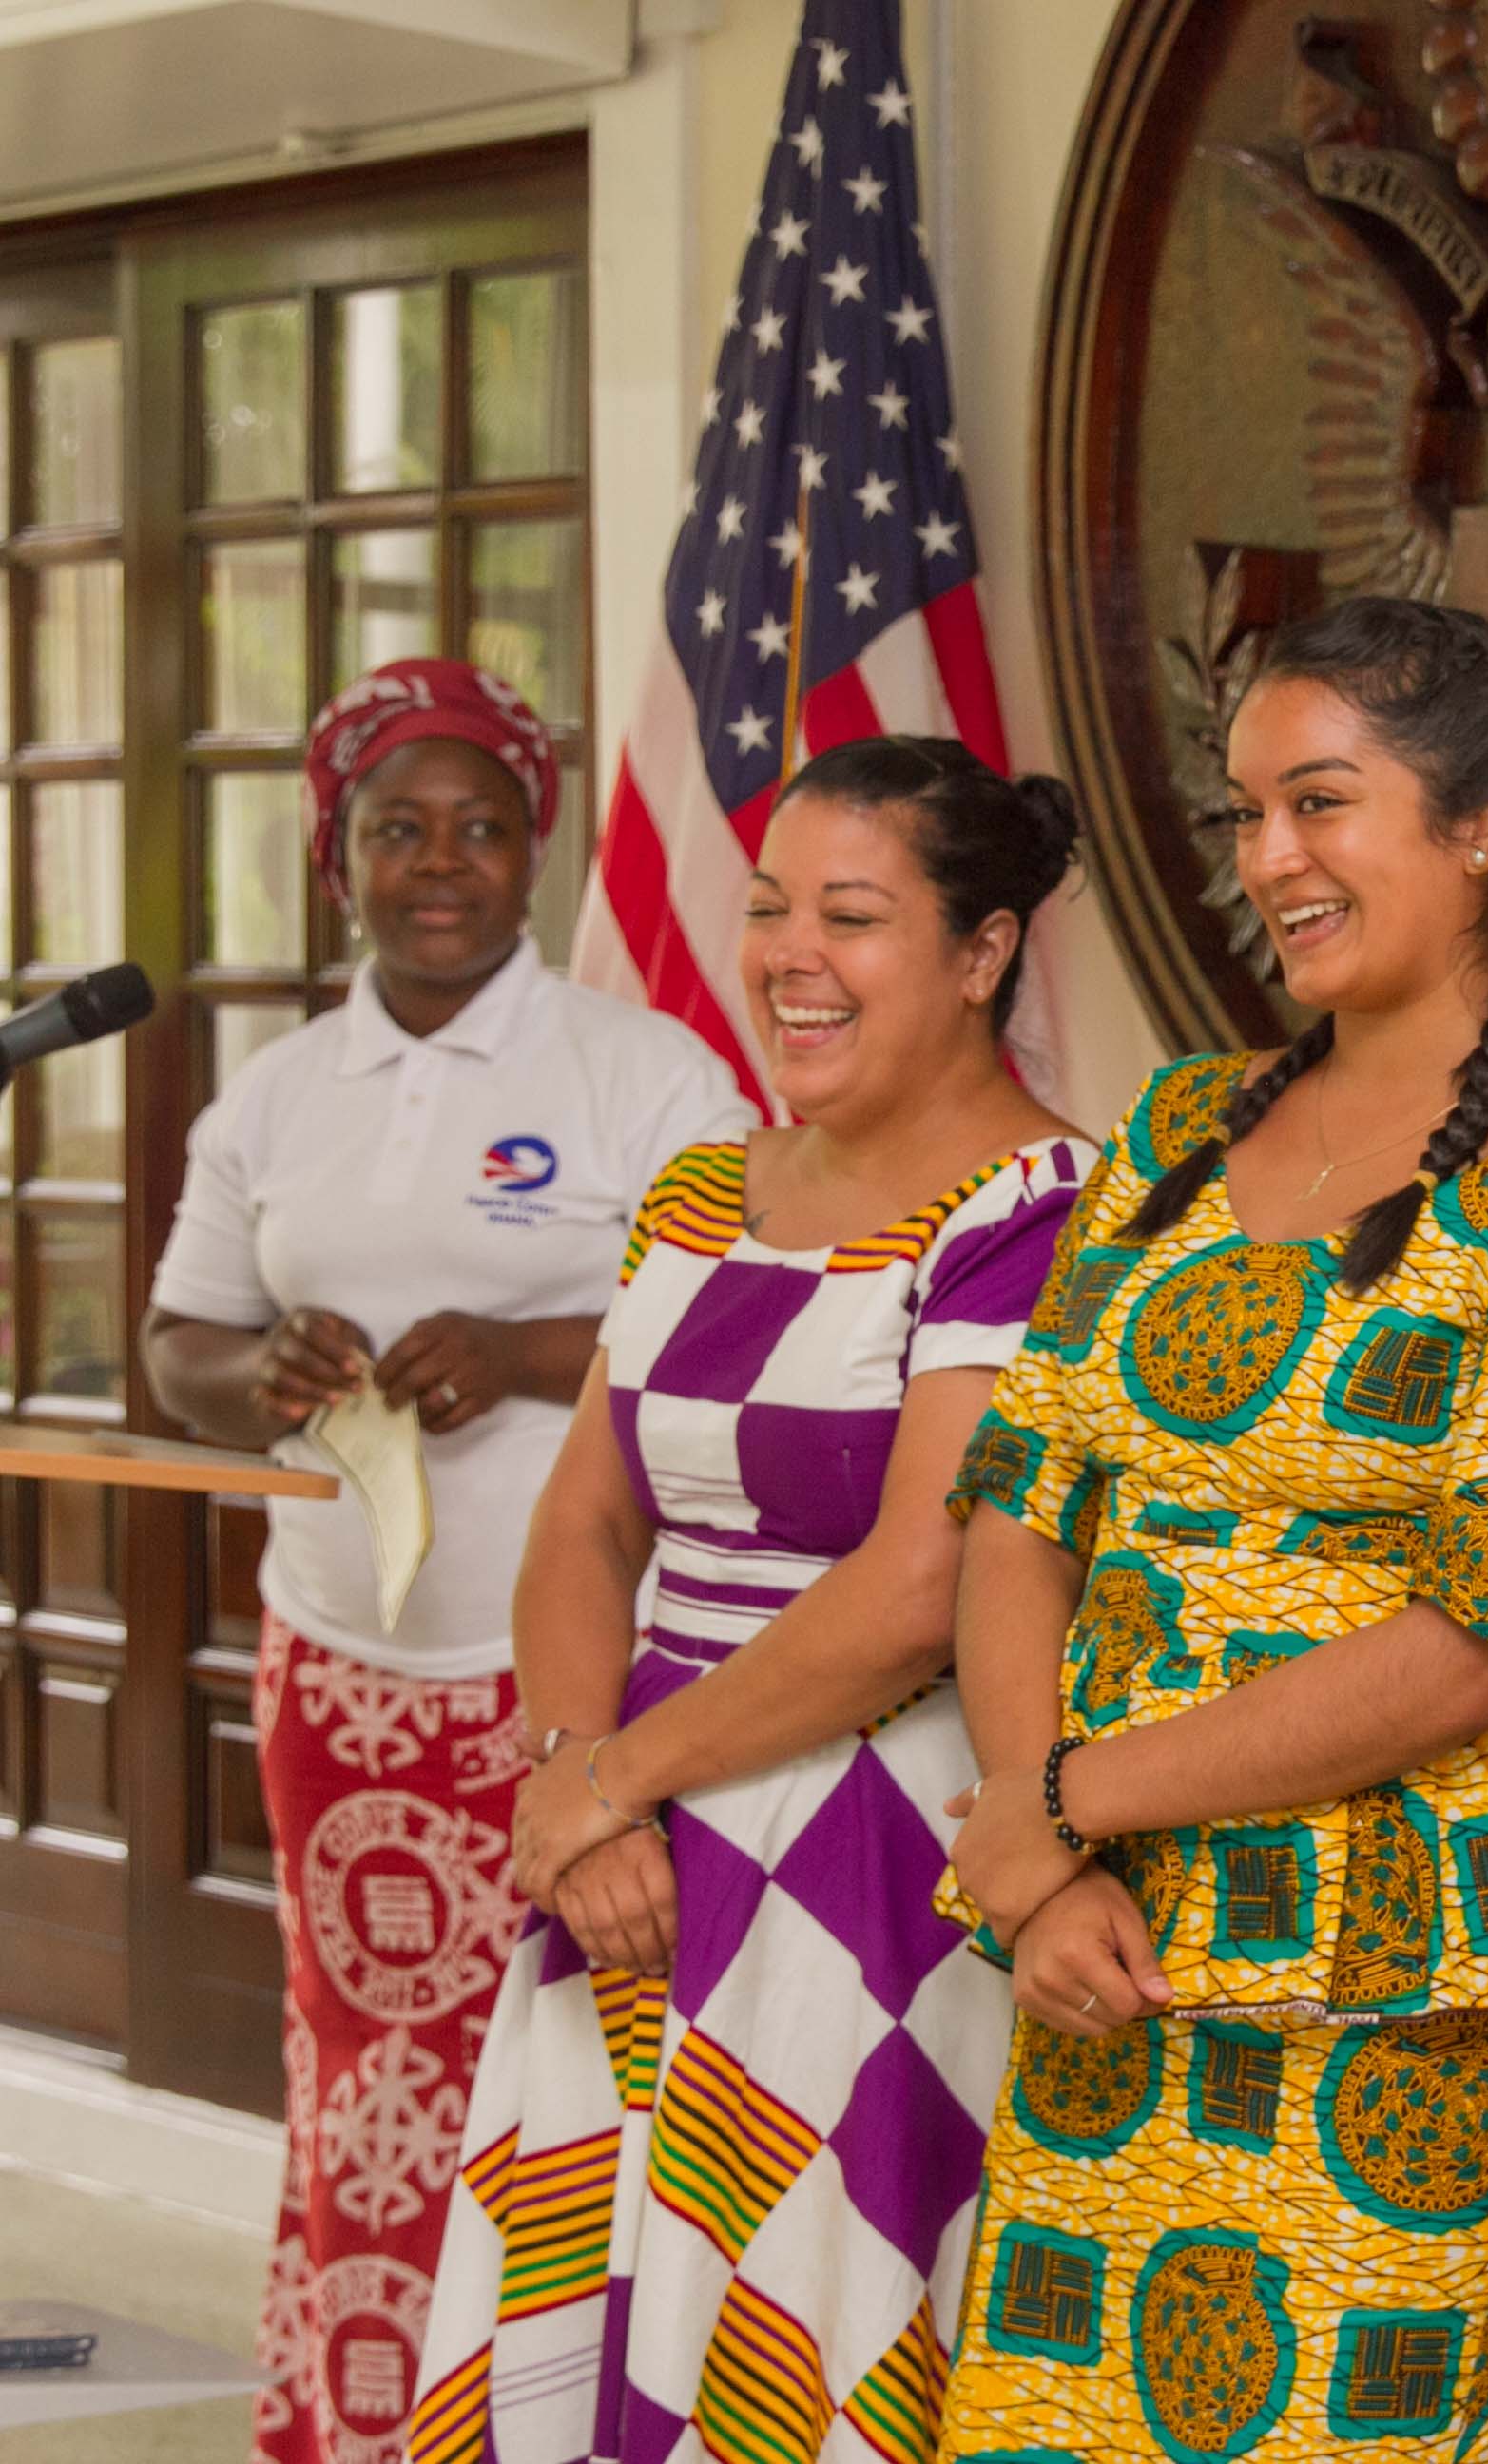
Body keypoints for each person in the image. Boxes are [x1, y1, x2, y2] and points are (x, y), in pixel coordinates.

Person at [928, 598, 1488, 2464]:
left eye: (1322, 805)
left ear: (1484, 825)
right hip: (1105, 1948)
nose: (1266, 859)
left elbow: (1473, 1635)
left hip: (1406, 1981)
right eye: (1245, 814)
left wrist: (1061, 1806)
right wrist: (1046, 1866)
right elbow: (1019, 1514)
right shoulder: (1174, 1135)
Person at [406, 737, 1091, 2464]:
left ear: (984, 951)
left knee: (800, 2327)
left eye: (851, 916)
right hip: (630, 1853)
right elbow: (582, 1525)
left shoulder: (1045, 1210)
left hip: (873, 1861)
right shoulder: (704, 1189)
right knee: (594, 2314)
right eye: (769, 905)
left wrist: (610, 1782)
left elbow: (928, 1580)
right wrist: (580, 1770)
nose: (789, 952)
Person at [138, 659, 752, 2464]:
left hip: (581, 1690)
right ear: (337, 851)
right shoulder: (275, 1093)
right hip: (338, 1678)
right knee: (366, 2079)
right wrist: (257, 1377)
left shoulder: (648, 1077)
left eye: (483, 828)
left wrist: (528, 1349)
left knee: (578, 2076)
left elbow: (727, 1331)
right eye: (398, 827)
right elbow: (179, 1346)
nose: (442, 864)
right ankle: (354, 2423)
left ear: (536, 854)